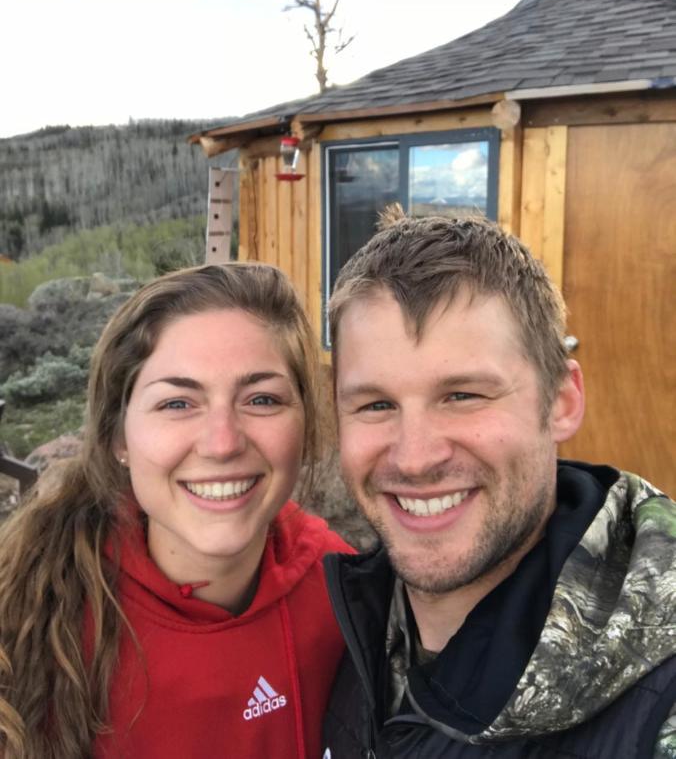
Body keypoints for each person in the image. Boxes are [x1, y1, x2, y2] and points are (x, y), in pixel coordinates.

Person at [321, 207, 676, 758]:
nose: (415, 458)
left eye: (462, 395)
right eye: (376, 404)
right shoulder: (345, 626)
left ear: (561, 400)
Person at [0, 262, 352, 759]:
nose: (222, 443)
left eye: (261, 399)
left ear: (305, 424)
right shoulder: (30, 625)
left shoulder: (346, 595)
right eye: (178, 404)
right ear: (119, 437)